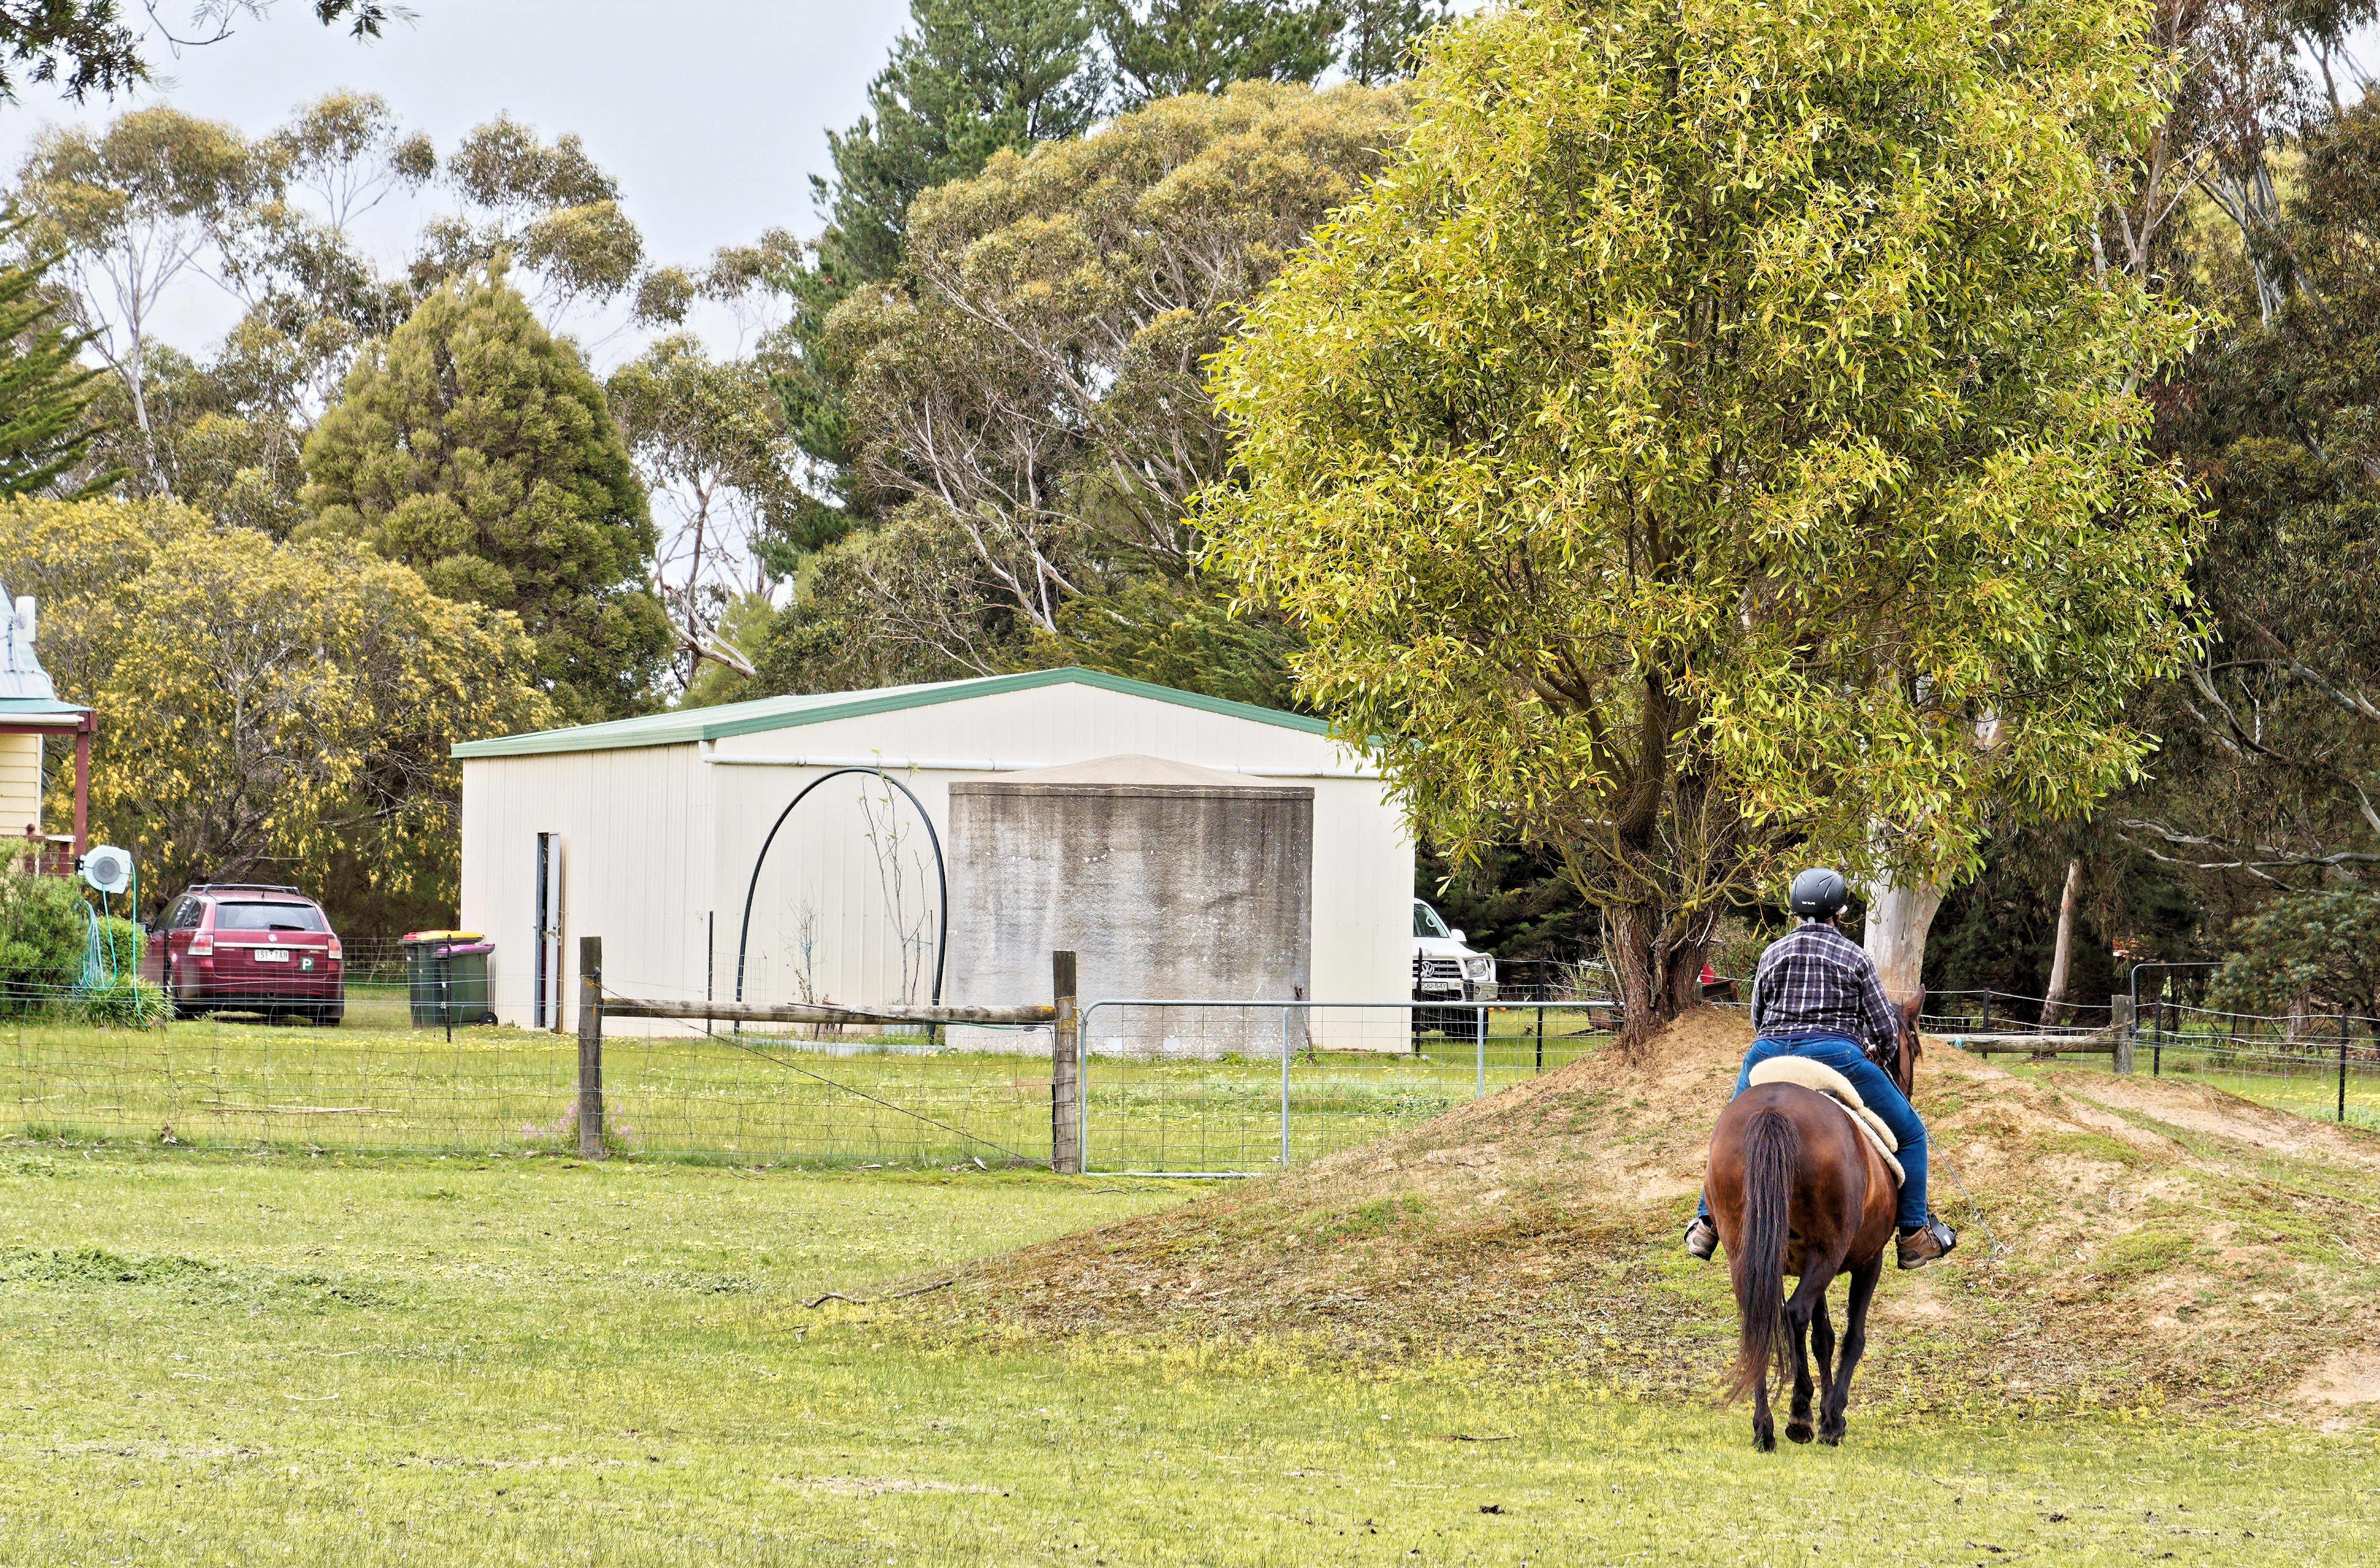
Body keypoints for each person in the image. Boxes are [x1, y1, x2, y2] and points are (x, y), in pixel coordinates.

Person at [1683, 868, 1958, 1271]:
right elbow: (1885, 1028)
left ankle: (1707, 1221)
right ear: (1840, 913)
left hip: (1768, 1054)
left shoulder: (1772, 953)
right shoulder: (1855, 956)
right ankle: (1915, 1233)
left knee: (1727, 1128)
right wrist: (1875, 1052)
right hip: (1836, 1056)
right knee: (1913, 1133)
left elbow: (1758, 1016)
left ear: (1794, 909)